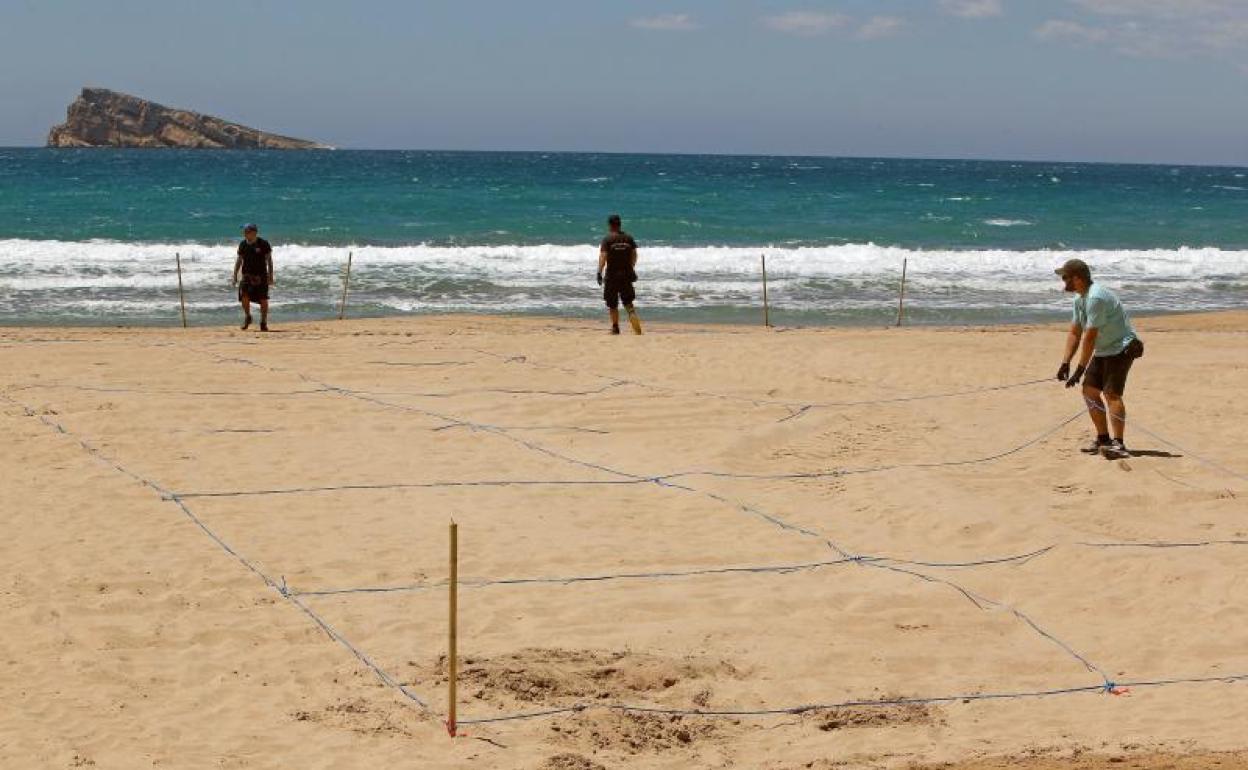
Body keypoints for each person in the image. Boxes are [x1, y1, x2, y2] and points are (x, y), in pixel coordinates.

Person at [1054, 259, 1143, 460]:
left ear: (1077, 278)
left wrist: (1080, 370)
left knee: (1112, 394)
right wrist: (1065, 363)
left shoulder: (1096, 298)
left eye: (1065, 277)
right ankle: (1103, 440)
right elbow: (1075, 332)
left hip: (1122, 348)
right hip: (1104, 350)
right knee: (1090, 391)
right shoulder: (1079, 299)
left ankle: (1119, 444)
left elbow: (1090, 336)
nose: (1063, 281)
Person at [597, 214, 642, 335]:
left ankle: (615, 327)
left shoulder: (607, 239)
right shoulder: (629, 238)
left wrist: (599, 272)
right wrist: (631, 267)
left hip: (612, 276)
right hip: (626, 274)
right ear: (620, 224)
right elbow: (634, 255)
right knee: (628, 302)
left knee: (612, 304)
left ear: (610, 225)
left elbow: (603, 256)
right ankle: (633, 320)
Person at [232, 223, 274, 331]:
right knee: (244, 296)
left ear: (254, 232)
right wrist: (235, 275)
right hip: (247, 275)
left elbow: (269, 260)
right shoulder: (242, 244)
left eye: (247, 231)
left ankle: (263, 321)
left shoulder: (263, 244)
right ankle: (248, 316)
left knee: (263, 299)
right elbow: (239, 260)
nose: (245, 233)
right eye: (244, 231)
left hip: (261, 276)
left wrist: (270, 276)